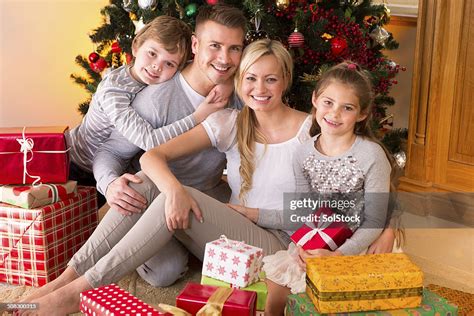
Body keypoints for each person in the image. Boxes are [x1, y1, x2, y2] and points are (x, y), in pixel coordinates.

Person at [18, 38, 311, 316]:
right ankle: (66, 278)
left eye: (270, 79)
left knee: (180, 197)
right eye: (250, 78)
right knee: (148, 183)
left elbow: (327, 210)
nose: (259, 88)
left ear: (285, 79)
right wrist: (173, 190)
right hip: (231, 245)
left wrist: (252, 213)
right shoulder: (230, 121)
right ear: (239, 81)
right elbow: (152, 156)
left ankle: (77, 293)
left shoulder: (310, 131)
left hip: (280, 246)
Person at [262, 61, 393, 315]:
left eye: (347, 108)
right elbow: (303, 210)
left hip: (357, 243)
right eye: (328, 103)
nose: (334, 114)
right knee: (276, 293)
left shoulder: (371, 155)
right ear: (314, 99)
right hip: (319, 235)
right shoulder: (302, 153)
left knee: (329, 301)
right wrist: (303, 245)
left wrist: (338, 257)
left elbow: (374, 220)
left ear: (362, 114)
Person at [67, 15, 228, 206]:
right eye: (152, 53)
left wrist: (227, 83)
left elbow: (200, 68)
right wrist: (198, 117)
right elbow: (149, 140)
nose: (157, 66)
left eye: (169, 63)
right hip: (77, 167)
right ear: (136, 46)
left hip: (114, 166)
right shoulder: (113, 91)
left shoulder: (155, 82)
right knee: (71, 228)